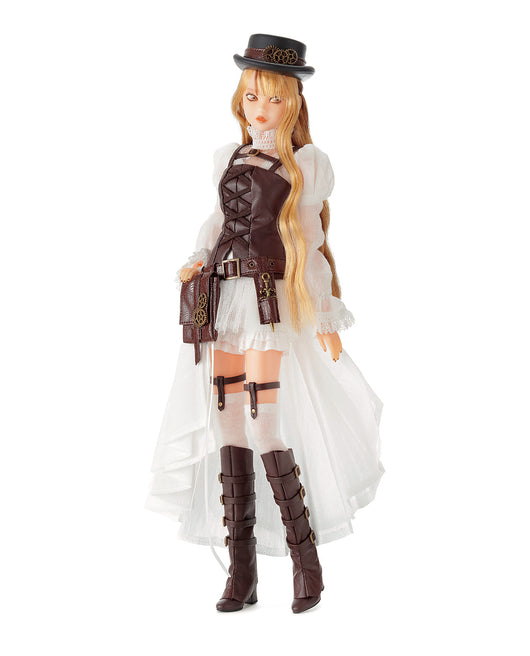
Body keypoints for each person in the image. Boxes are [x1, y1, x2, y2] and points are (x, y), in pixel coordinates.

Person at [145, 33, 384, 614]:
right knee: (227, 420)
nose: (261, 108)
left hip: (266, 303)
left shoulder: (306, 164)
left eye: (274, 98)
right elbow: (218, 220)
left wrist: (324, 313)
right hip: (222, 297)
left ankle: (306, 562)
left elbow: (308, 240)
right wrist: (197, 258)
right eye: (252, 96)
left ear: (292, 102)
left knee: (263, 423)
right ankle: (242, 570)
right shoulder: (227, 156)